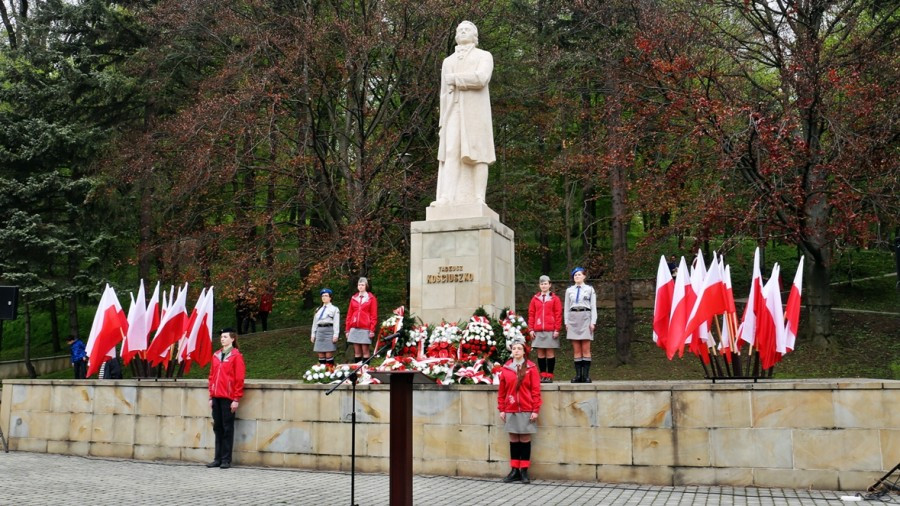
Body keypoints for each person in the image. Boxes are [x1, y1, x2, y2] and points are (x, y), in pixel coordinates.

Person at [432, 20, 496, 207]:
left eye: (467, 30)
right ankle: (446, 197)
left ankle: (478, 198)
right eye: (460, 30)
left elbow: (481, 78)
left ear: (474, 36)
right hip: (453, 111)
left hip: (476, 112)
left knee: (479, 152)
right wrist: (443, 121)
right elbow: (444, 93)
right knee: (451, 151)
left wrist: (456, 79)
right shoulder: (448, 61)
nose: (463, 32)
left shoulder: (484, 56)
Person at [497, 336, 541, 484]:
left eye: (519, 348)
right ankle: (514, 469)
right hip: (511, 408)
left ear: (524, 351)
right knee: (514, 439)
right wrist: (502, 409)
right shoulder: (506, 369)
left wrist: (535, 409)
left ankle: (524, 471)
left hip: (527, 408)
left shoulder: (531, 368)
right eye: (514, 348)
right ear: (511, 351)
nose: (516, 351)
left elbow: (535, 390)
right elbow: (502, 392)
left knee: (525, 439)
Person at [207, 328, 246, 469]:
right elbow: (211, 376)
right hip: (216, 397)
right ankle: (217, 458)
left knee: (227, 428)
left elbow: (239, 378)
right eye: (221, 337)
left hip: (228, 397)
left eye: (225, 336)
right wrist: (211, 396)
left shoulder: (236, 356)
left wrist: (236, 399)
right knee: (217, 428)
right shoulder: (216, 355)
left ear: (232, 339)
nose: (222, 339)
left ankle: (226, 459)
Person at [564, 267, 597, 383]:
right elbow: (567, 308)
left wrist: (593, 322)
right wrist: (566, 322)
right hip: (573, 317)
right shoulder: (569, 290)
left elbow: (593, 307)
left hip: (585, 316)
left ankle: (586, 376)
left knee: (586, 349)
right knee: (577, 349)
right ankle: (578, 376)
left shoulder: (589, 289)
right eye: (575, 275)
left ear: (584, 276)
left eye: (579, 275)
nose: (577, 277)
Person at [528, 275, 562, 383]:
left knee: (550, 353)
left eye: (546, 283)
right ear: (539, 285)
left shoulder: (555, 298)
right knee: (541, 354)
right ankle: (542, 375)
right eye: (542, 284)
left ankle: (550, 375)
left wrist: (557, 329)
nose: (544, 285)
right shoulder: (535, 299)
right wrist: (531, 329)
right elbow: (531, 314)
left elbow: (558, 314)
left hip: (550, 329)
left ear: (550, 285)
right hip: (538, 330)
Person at [345, 277, 378, 363]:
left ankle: (366, 372)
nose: (360, 286)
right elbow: (349, 314)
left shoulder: (371, 298)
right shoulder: (354, 298)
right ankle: (358, 373)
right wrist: (347, 330)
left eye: (362, 285)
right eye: (359, 285)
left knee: (365, 351)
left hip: (365, 328)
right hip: (354, 327)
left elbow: (373, 315)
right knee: (357, 352)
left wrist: (372, 329)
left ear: (366, 286)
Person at [311, 288, 340, 370]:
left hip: (329, 331)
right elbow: (314, 323)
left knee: (328, 354)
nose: (324, 297)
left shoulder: (334, 309)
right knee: (320, 354)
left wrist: (335, 335)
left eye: (326, 296)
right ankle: (322, 373)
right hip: (320, 332)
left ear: (330, 297)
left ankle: (330, 372)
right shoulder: (318, 309)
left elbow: (336, 323)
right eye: (322, 296)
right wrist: (313, 334)